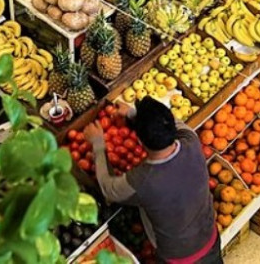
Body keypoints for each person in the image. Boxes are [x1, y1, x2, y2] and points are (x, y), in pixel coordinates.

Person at [86, 98, 222, 264]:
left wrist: (98, 145)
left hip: (178, 258)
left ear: (141, 142)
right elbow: (174, 123)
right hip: (210, 239)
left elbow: (109, 188)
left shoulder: (142, 181)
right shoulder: (191, 142)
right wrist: (134, 114)